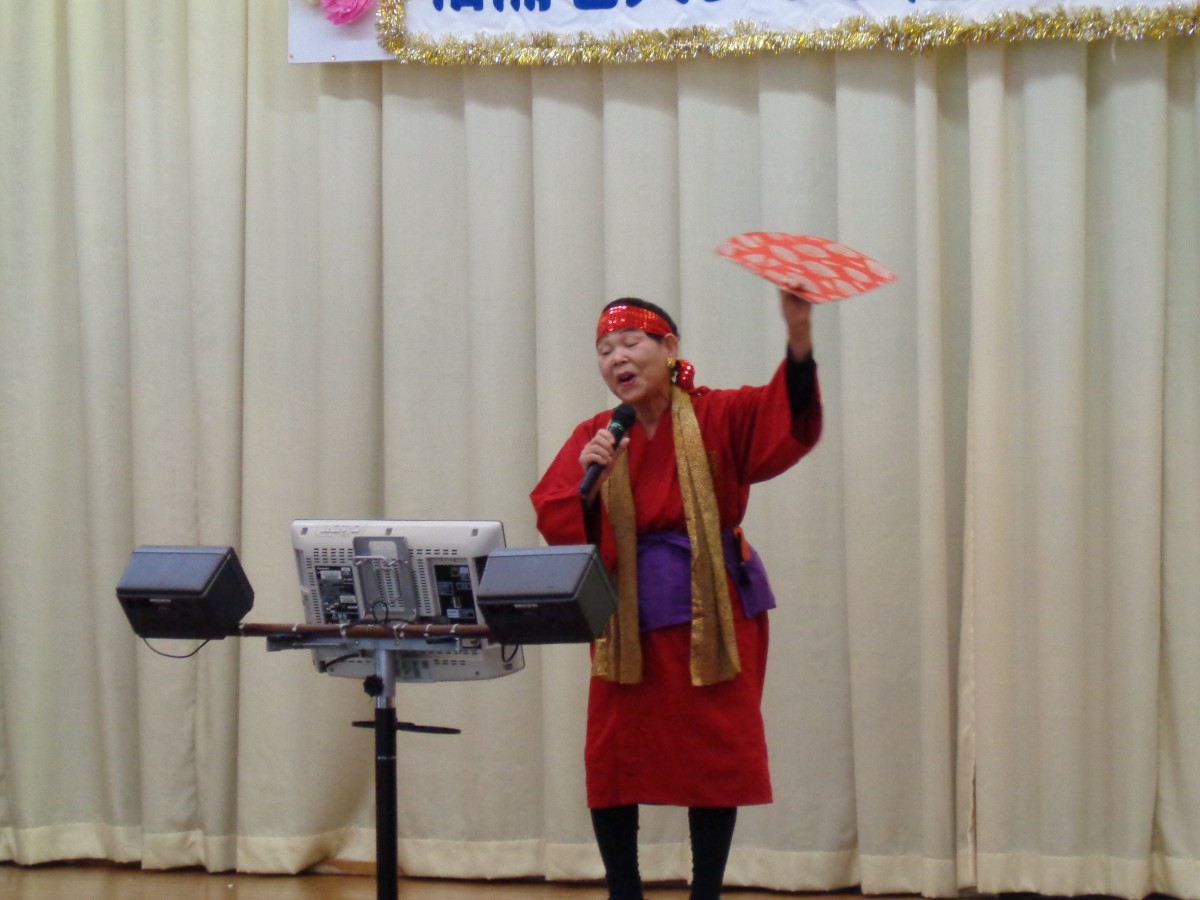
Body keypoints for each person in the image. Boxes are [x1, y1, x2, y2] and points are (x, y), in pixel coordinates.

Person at [529, 291, 822, 900]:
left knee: (712, 752)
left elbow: (786, 418)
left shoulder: (719, 414)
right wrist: (591, 487)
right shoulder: (597, 435)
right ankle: (624, 890)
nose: (617, 358)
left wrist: (798, 337)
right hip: (624, 616)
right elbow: (556, 514)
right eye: (604, 350)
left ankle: (706, 891)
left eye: (630, 343)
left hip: (715, 609)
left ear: (669, 348)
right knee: (614, 753)